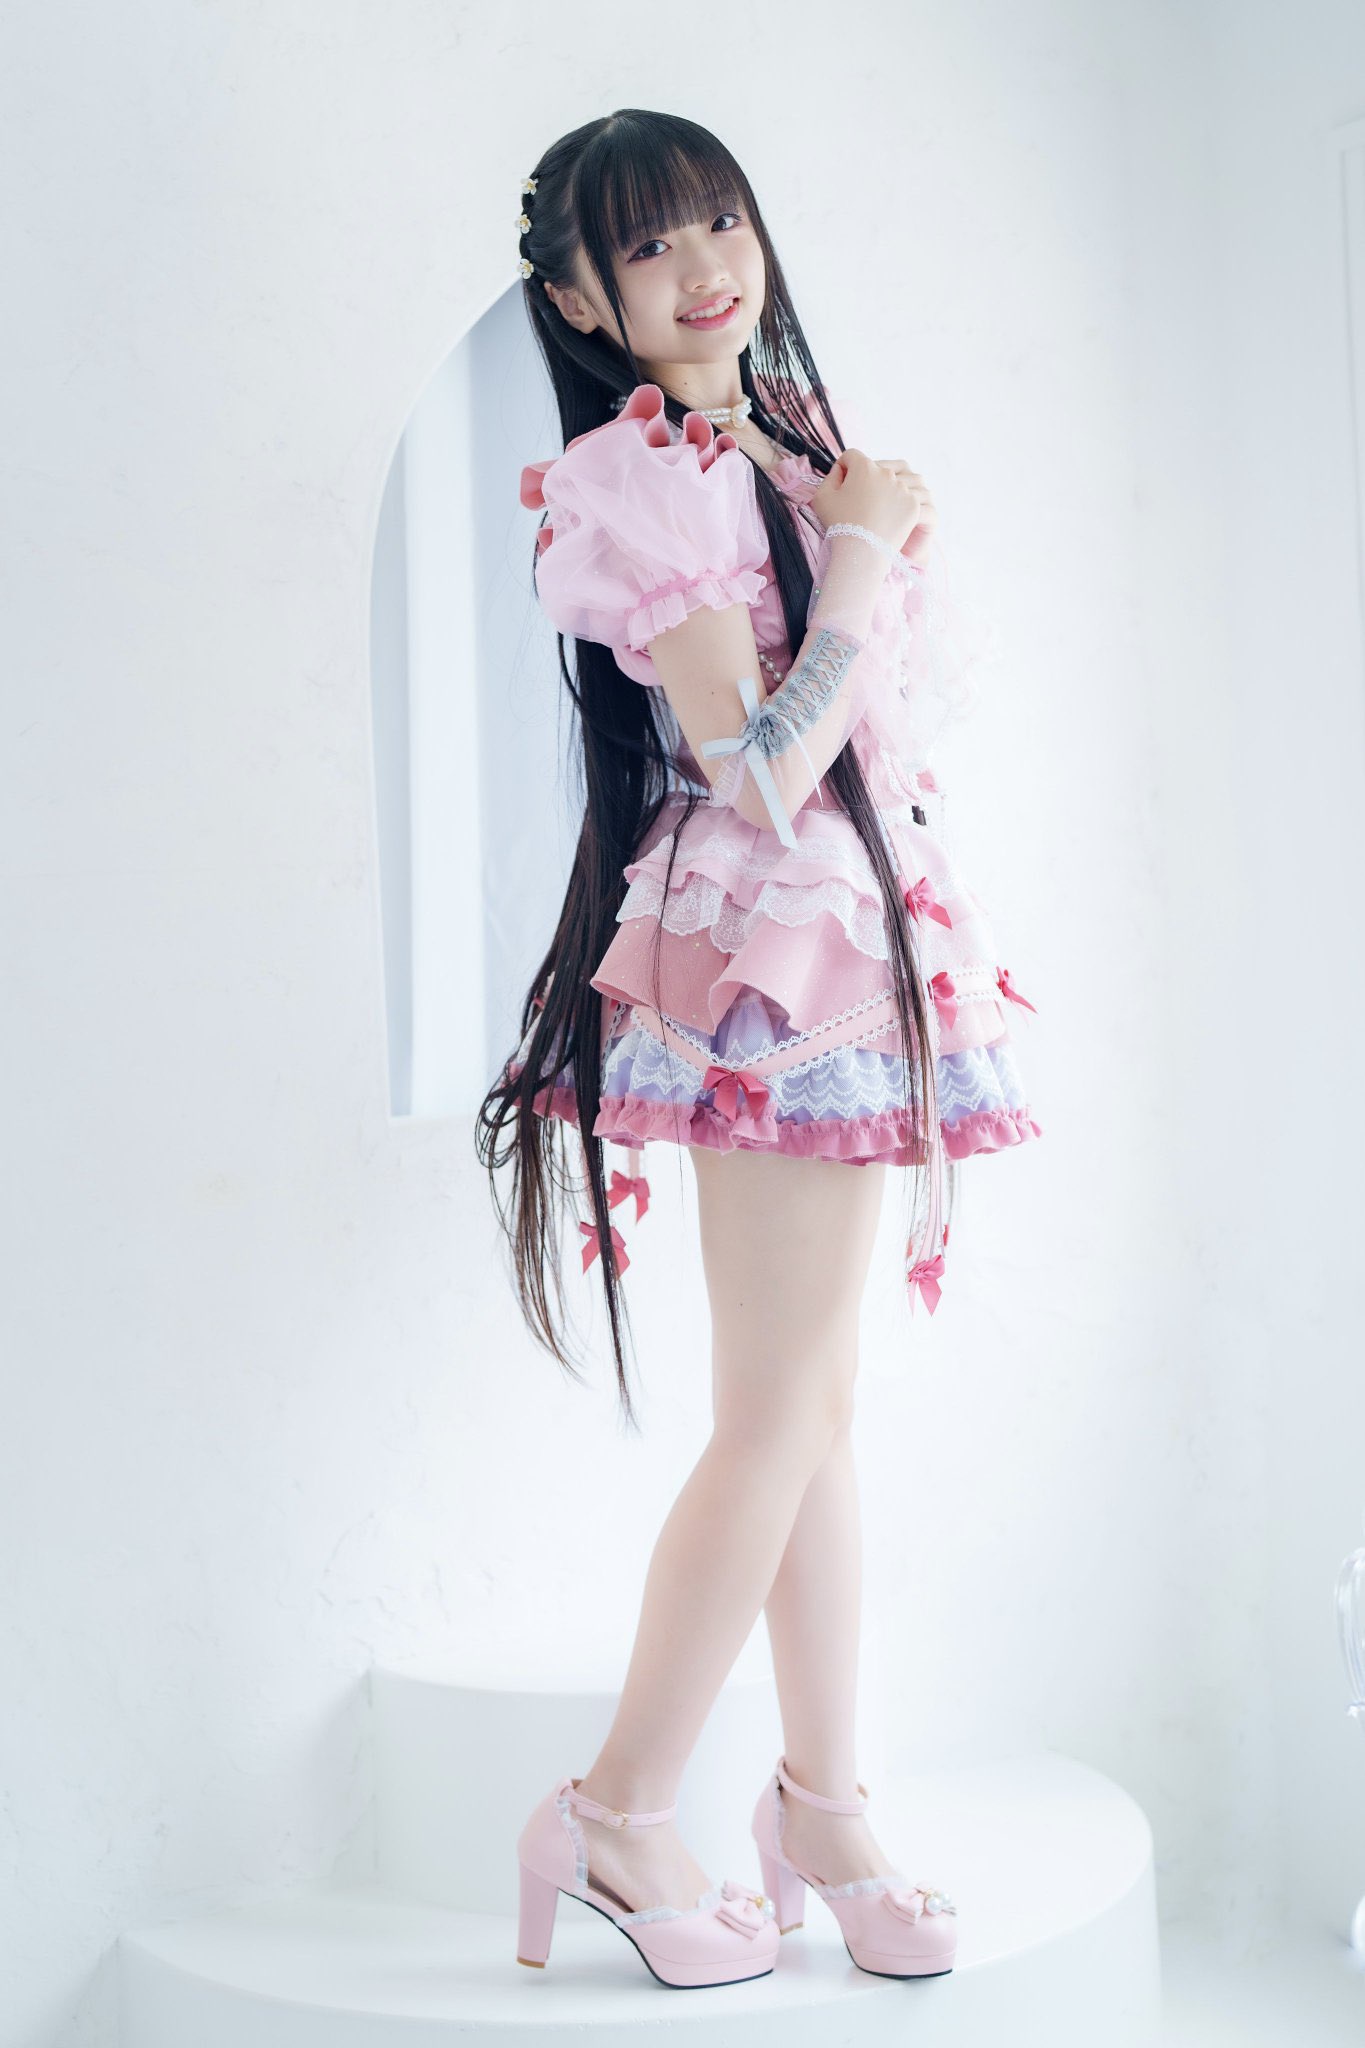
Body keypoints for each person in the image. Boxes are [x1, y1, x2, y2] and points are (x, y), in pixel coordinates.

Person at [475, 107, 1042, 1990]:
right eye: (648, 246)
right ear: (581, 298)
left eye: (718, 220)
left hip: (850, 952)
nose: (705, 264)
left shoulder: (787, 449)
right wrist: (860, 562)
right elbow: (758, 776)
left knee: (814, 1410)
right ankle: (620, 1809)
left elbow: (897, 730)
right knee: (779, 1414)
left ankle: (822, 1803)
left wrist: (854, 528)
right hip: (766, 965)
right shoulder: (639, 481)